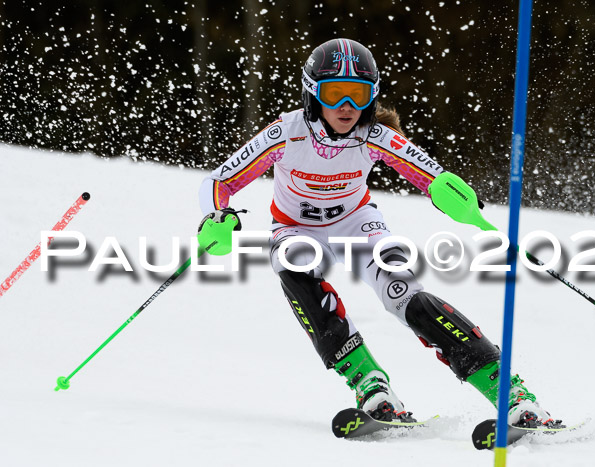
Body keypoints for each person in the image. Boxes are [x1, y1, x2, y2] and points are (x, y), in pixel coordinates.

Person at [197, 38, 559, 427]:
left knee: (404, 295)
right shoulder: (286, 133)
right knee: (293, 267)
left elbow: (431, 177)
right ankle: (370, 384)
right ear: (312, 94)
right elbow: (219, 181)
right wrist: (218, 215)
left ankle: (511, 394)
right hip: (295, 227)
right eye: (335, 94)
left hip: (356, 223)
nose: (347, 107)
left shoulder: (374, 135)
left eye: (359, 95)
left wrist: (463, 205)